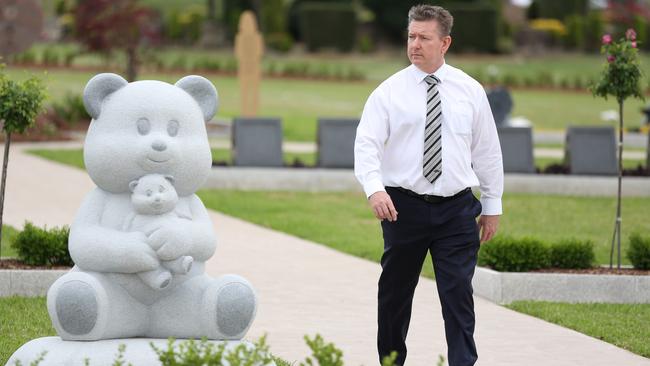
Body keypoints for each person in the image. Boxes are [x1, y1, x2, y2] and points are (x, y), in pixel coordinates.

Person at [353, 4, 503, 366]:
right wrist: (375, 189)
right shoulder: (388, 93)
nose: (415, 44)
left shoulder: (469, 90)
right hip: (404, 209)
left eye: (424, 37)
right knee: (394, 296)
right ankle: (391, 361)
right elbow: (366, 144)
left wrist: (492, 204)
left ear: (445, 42)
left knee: (458, 296)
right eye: (411, 36)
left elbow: (487, 150)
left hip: (457, 210)